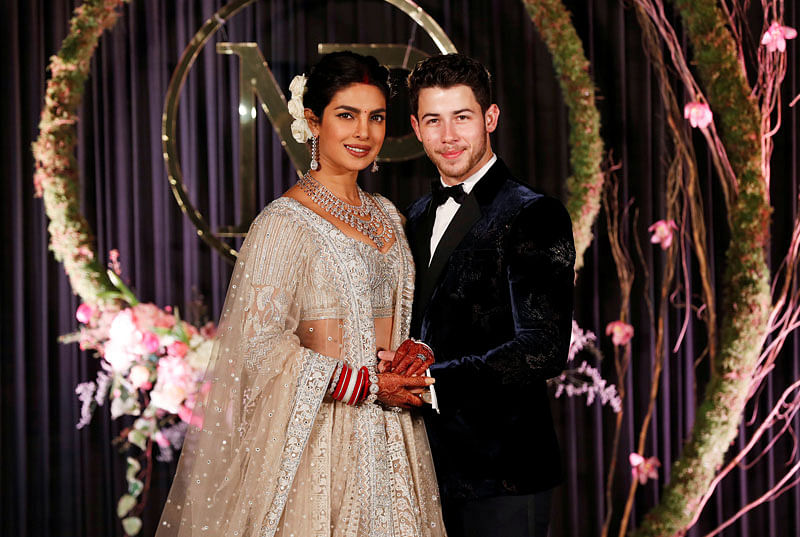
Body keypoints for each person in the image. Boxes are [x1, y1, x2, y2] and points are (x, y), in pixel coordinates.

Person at [156, 51, 447, 537]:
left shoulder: (390, 216)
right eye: (346, 116)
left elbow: (402, 319)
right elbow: (261, 346)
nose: (363, 133)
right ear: (313, 121)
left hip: (394, 440)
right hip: (318, 444)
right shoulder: (282, 223)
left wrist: (410, 357)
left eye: (375, 117)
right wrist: (368, 385)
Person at [384, 53, 575, 537]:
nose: (448, 136)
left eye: (462, 117)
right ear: (415, 127)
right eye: (433, 120)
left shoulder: (534, 214)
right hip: (420, 473)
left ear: (490, 118)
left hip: (504, 476)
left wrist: (431, 383)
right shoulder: (414, 216)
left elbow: (543, 348)